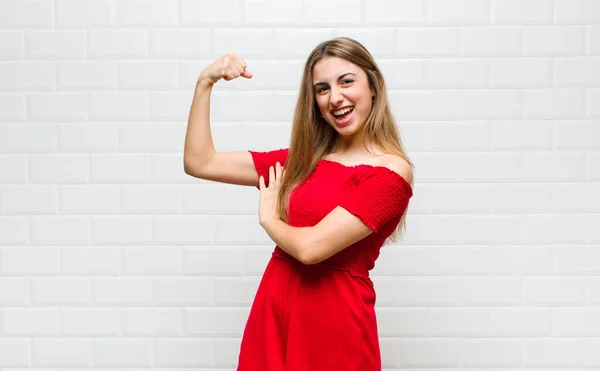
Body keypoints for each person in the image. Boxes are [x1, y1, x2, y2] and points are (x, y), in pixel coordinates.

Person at [183, 37, 414, 371]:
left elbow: (311, 249)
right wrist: (205, 82)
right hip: (274, 308)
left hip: (334, 321)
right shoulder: (303, 162)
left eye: (346, 81)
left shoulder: (392, 172)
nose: (335, 97)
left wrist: (270, 220)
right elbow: (200, 162)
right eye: (322, 88)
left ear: (373, 85)